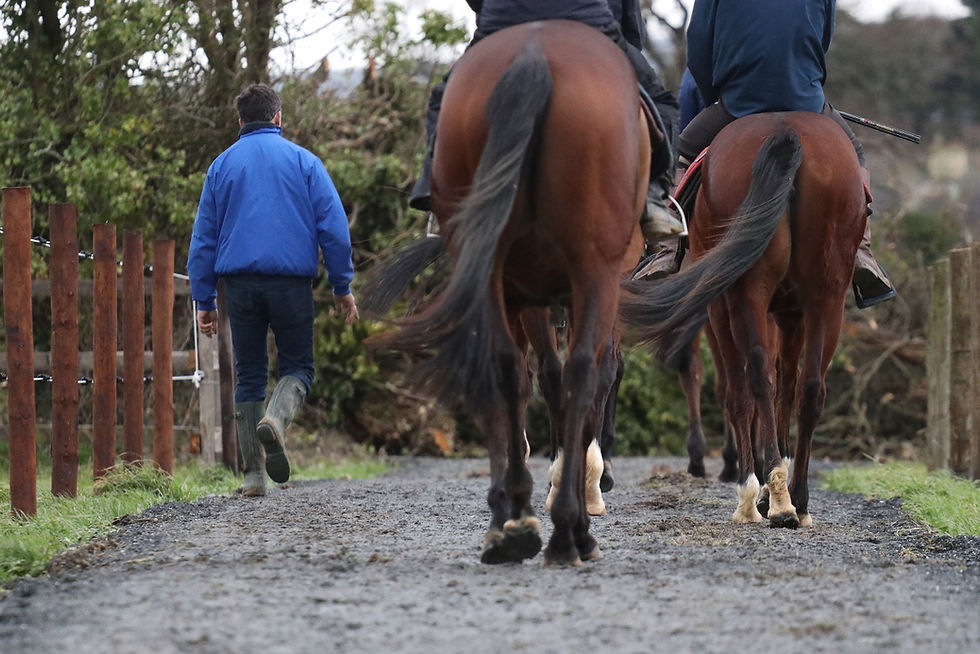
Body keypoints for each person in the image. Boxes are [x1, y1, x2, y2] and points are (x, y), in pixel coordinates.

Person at [644, 0, 896, 308]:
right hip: (805, 97)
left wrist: (718, 100)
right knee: (854, 156)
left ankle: (667, 250)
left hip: (739, 100)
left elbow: (698, 49)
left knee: (680, 157)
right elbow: (823, 38)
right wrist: (804, 82)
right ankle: (862, 254)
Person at [187, 83, 360, 497]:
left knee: (248, 375)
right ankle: (277, 421)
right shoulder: (305, 162)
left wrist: (205, 299)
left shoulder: (221, 166)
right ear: (278, 117)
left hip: (241, 285)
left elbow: (204, 238)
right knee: (298, 366)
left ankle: (251, 477)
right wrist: (342, 286)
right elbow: (333, 229)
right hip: (291, 284)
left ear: (241, 121)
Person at [408, 0, 683, 243]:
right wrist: (626, 47)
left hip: (503, 18)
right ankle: (653, 198)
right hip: (586, 17)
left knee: (441, 100)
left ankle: (442, 198)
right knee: (660, 102)